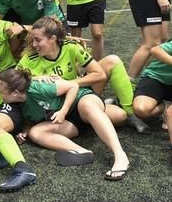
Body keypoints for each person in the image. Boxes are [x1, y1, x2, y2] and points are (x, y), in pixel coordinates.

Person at [16, 16, 148, 133]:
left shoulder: (70, 47)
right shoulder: (30, 58)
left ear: (53, 39)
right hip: (56, 106)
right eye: (33, 40)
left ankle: (130, 113)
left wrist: (69, 84)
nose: (34, 44)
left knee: (113, 62)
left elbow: (99, 75)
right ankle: (97, 109)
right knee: (117, 116)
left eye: (38, 40)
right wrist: (36, 78)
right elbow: (13, 81)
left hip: (79, 94)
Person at [0, 68, 130, 180]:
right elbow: (31, 119)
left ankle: (120, 156)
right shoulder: (18, 105)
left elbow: (73, 86)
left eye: (1, 92)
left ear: (15, 93)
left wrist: (63, 110)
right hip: (70, 122)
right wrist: (25, 131)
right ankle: (81, 151)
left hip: (79, 102)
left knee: (96, 108)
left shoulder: (38, 88)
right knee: (35, 133)